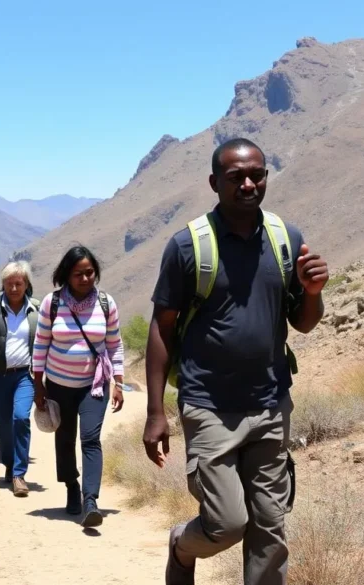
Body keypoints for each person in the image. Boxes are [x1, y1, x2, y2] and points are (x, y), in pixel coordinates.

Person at [142, 138, 328, 585]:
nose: (248, 183)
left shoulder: (287, 239)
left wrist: (314, 292)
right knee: (226, 523)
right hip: (209, 406)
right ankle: (181, 546)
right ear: (214, 183)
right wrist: (155, 413)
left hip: (270, 404)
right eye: (236, 177)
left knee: (270, 526)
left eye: (257, 175)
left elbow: (303, 323)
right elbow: (162, 328)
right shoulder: (188, 246)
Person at [32, 246, 125, 528]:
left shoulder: (106, 304)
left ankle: (90, 501)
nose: (85, 279)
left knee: (90, 438)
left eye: (89, 273)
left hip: (94, 385)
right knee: (65, 438)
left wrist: (118, 382)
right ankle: (71, 486)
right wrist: (38, 385)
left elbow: (115, 344)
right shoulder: (53, 302)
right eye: (78, 274)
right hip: (58, 385)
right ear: (66, 275)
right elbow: (41, 343)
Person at [0, 260, 40, 496]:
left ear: (26, 285)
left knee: (21, 418)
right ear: (3, 284)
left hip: (25, 375)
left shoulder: (35, 309)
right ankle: (10, 464)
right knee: (4, 426)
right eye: (9, 284)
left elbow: (44, 342)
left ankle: (19, 474)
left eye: (19, 283)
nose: (14, 288)